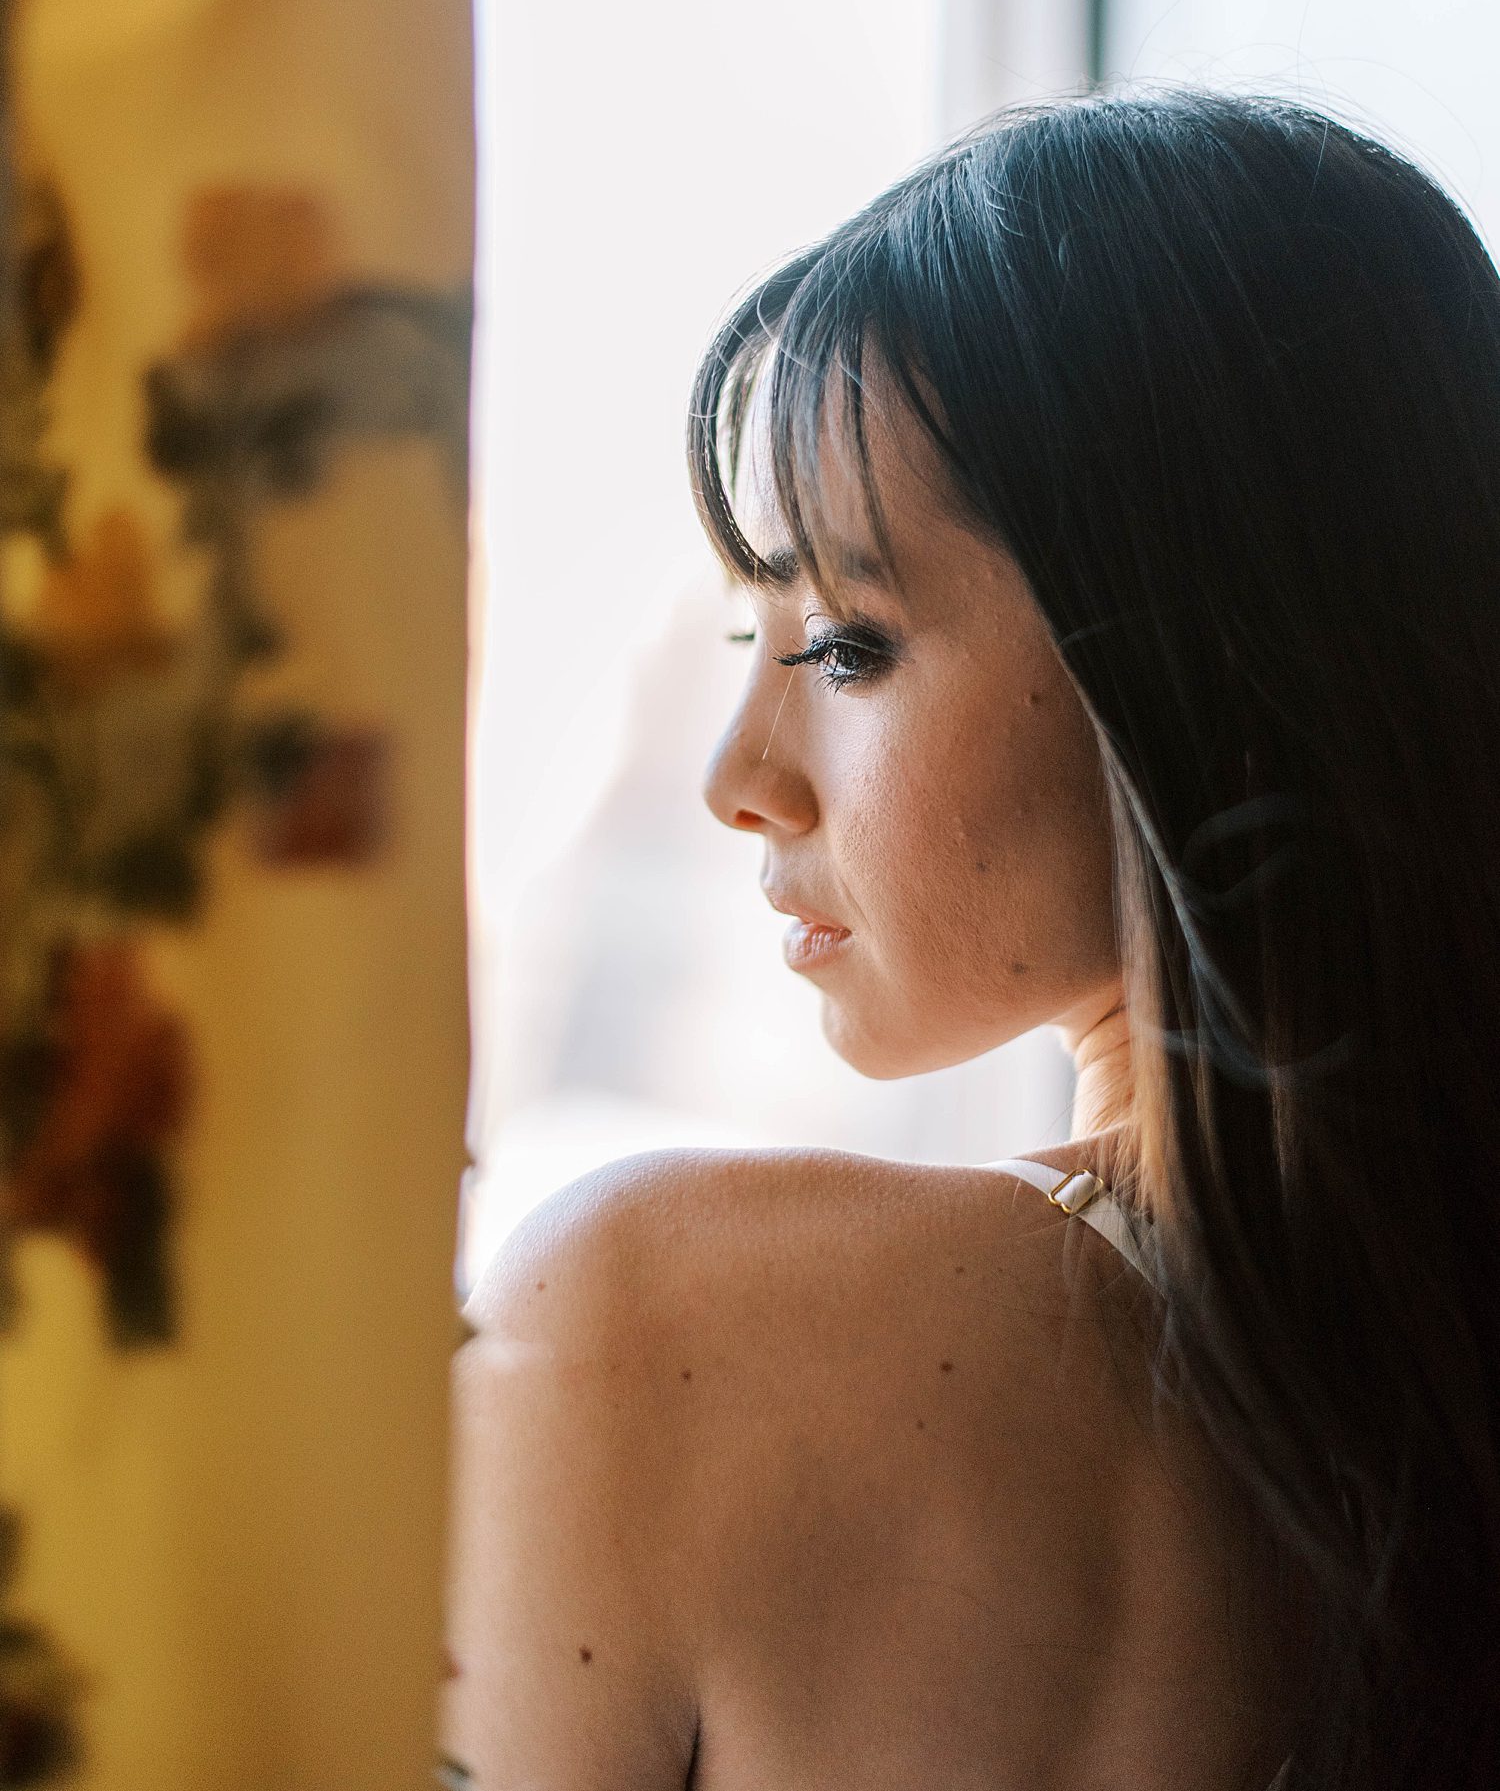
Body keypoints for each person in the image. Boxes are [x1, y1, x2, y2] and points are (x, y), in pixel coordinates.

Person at [445, 87, 1500, 1789]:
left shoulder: (655, 1328)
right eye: (753, 634)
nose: (739, 780)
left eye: (847, 645)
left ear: (1213, 659)